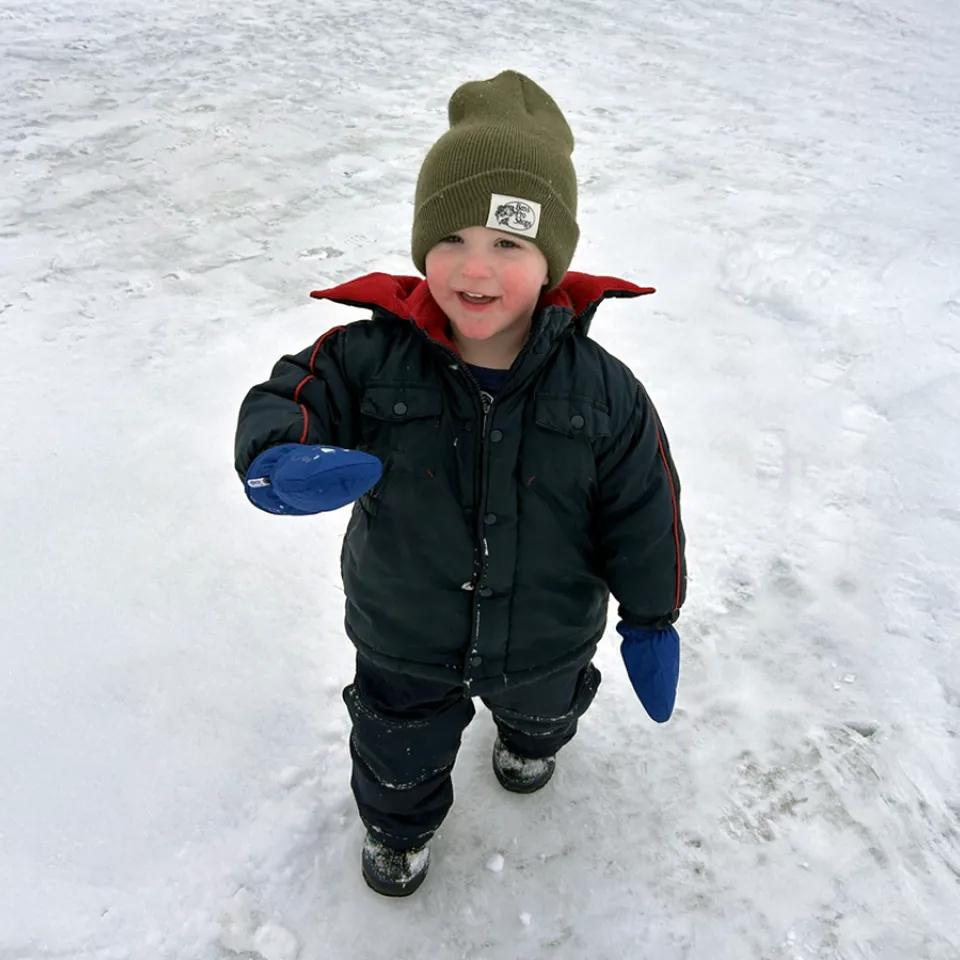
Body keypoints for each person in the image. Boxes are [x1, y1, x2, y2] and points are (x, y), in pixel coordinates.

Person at [234, 70, 687, 898]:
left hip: (549, 630)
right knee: (396, 751)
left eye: (508, 245)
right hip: (404, 630)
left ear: (550, 259)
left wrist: (652, 617)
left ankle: (531, 742)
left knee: (548, 709)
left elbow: (643, 509)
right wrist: (277, 456)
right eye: (452, 241)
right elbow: (291, 397)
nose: (475, 270)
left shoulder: (603, 390)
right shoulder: (368, 358)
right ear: (422, 247)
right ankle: (397, 831)